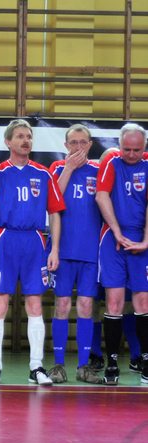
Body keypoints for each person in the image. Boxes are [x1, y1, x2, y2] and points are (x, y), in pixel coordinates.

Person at [0, 119, 65, 386]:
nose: (25, 140)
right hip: (4, 240)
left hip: (34, 241)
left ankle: (36, 367)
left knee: (35, 303)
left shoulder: (44, 174)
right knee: (0, 302)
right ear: (8, 142)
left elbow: (55, 214)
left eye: (29, 136)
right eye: (19, 136)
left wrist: (54, 248)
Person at [46, 124, 103, 384]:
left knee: (87, 306)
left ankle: (83, 366)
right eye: (73, 142)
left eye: (82, 142)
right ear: (66, 145)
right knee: (62, 305)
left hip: (91, 252)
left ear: (90, 145)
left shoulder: (99, 172)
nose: (78, 147)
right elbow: (52, 201)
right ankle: (58, 365)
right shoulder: (57, 169)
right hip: (63, 250)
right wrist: (68, 168)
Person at [95, 123, 148, 385]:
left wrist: (146, 241)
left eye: (136, 150)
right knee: (114, 302)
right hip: (112, 239)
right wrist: (116, 231)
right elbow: (101, 196)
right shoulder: (112, 163)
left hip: (141, 238)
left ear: (144, 147)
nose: (131, 154)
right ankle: (112, 363)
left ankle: (145, 360)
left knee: (143, 302)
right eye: (127, 149)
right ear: (120, 145)